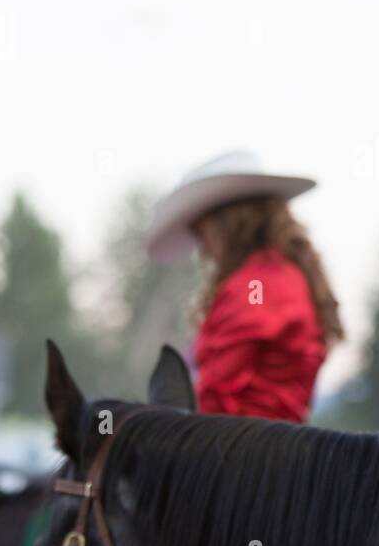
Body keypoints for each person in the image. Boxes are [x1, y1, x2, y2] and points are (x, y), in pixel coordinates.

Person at [146, 150, 343, 422]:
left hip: (242, 453)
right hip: (276, 447)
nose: (203, 249)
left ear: (227, 223)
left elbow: (216, 394)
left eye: (202, 233)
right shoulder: (283, 275)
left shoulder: (256, 285)